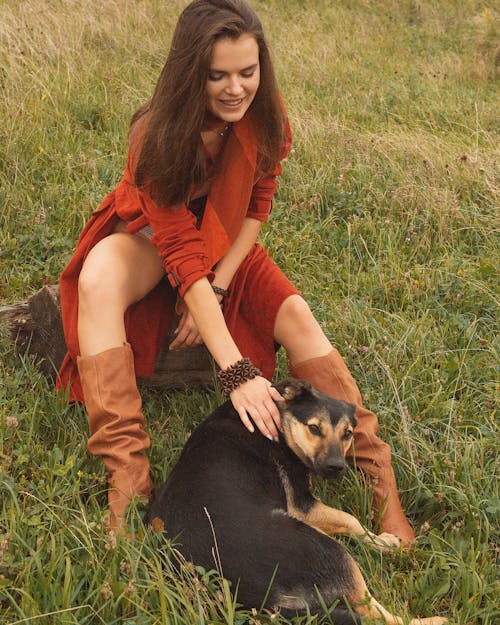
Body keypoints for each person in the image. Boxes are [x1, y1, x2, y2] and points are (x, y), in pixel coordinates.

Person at [57, 0, 414, 545]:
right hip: (155, 238)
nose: (234, 89)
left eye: (247, 73)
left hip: (224, 243)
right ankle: (127, 480)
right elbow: (178, 251)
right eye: (216, 75)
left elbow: (257, 207)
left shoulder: (266, 113)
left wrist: (221, 284)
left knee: (295, 312)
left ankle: (380, 482)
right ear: (188, 73)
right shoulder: (156, 134)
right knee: (98, 276)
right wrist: (238, 373)